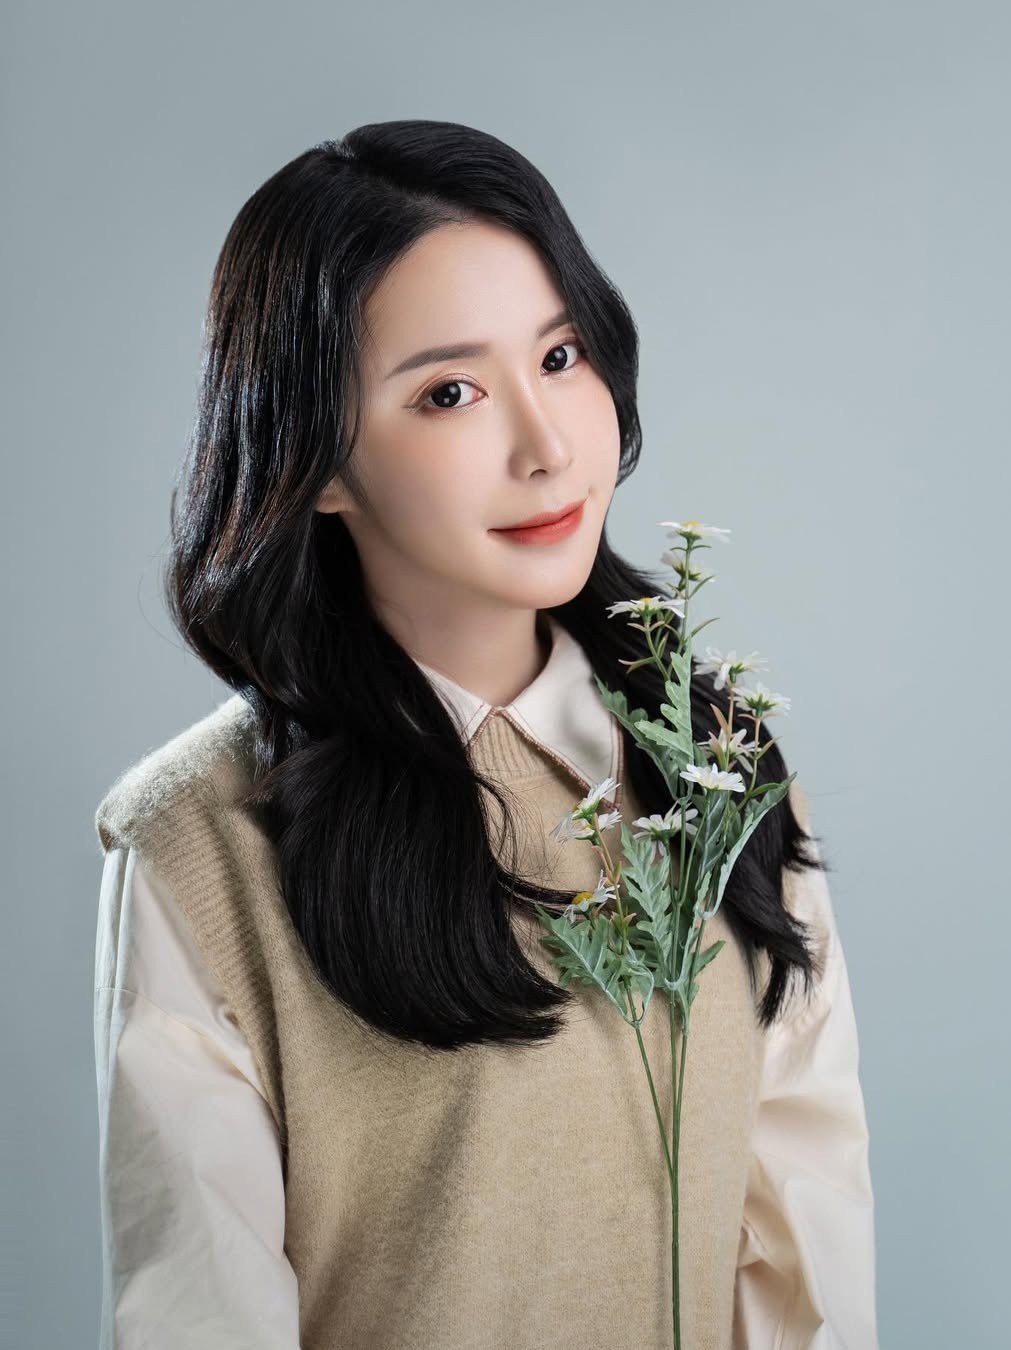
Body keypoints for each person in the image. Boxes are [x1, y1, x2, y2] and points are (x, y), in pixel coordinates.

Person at [92, 118, 878, 1349]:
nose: (549, 445)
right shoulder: (203, 846)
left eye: (561, 355)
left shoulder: (716, 767)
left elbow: (808, 1256)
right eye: (449, 392)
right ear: (318, 462)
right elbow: (203, 1314)